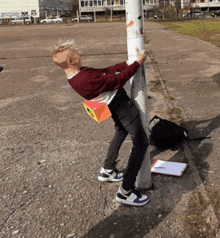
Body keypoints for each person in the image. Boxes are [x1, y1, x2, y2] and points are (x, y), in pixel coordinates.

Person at [52, 40, 149, 206]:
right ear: (70, 61)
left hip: (111, 105)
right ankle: (126, 191)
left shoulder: (77, 74)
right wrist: (137, 63)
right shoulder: (85, 79)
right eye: (76, 54)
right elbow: (118, 80)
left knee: (121, 132)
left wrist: (126, 63)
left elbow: (105, 72)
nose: (79, 56)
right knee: (141, 143)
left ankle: (108, 170)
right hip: (121, 106)